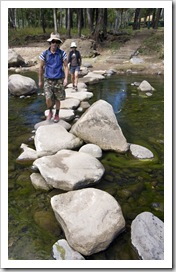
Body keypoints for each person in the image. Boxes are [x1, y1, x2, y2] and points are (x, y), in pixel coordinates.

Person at [38, 33, 68, 122]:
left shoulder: (62, 54)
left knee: (58, 99)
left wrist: (66, 78)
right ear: (50, 43)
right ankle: (50, 111)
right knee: (48, 98)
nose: (54, 43)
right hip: (48, 79)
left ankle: (57, 114)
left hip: (59, 79)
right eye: (53, 41)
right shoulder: (44, 54)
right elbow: (40, 67)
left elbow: (66, 66)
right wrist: (40, 80)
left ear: (58, 43)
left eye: (56, 42)